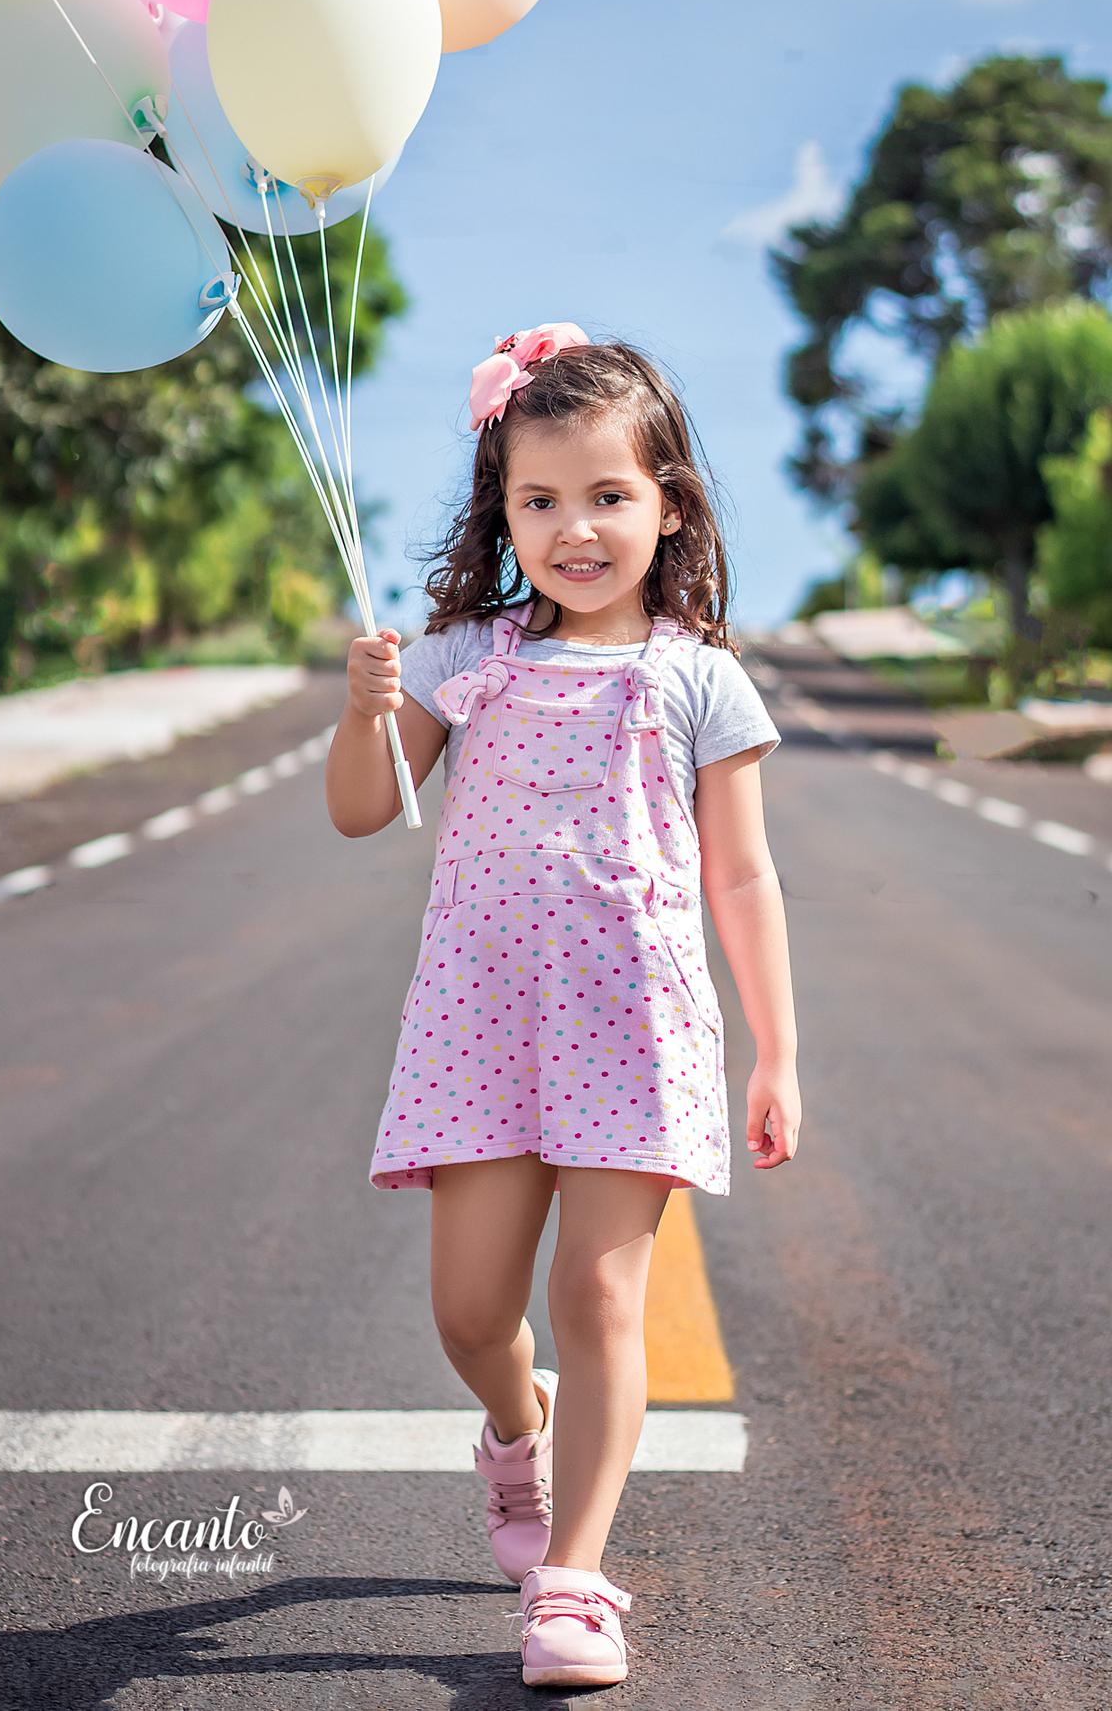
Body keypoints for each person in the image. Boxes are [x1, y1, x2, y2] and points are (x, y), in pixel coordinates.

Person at [326, 325, 801, 1691]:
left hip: (637, 1031)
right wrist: (364, 713)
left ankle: (577, 1586)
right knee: (475, 1313)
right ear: (503, 511)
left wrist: (777, 1049)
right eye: (540, 500)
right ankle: (510, 1433)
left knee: (601, 1297)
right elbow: (365, 812)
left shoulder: (701, 677)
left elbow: (746, 875)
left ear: (669, 507)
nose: (575, 528)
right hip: (482, 1020)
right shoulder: (464, 657)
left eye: (609, 497)